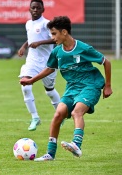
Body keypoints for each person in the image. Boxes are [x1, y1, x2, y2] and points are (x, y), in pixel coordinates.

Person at [20, 16, 113, 161]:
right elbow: (49, 69)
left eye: (54, 34)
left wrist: (107, 86)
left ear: (64, 32)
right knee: (58, 115)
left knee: (77, 112)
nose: (52, 37)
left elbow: (106, 62)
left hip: (90, 85)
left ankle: (76, 145)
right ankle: (50, 154)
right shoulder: (57, 52)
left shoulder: (83, 48)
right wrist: (31, 80)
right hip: (72, 88)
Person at [18, 0, 60, 131]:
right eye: (33, 7)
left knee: (50, 91)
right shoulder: (28, 24)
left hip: (48, 62)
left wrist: (39, 43)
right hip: (32, 61)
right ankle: (35, 117)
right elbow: (31, 37)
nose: (35, 10)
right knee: (25, 85)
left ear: (43, 10)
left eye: (38, 8)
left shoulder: (46, 24)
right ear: (29, 9)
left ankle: (60, 115)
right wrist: (24, 46)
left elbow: (55, 39)